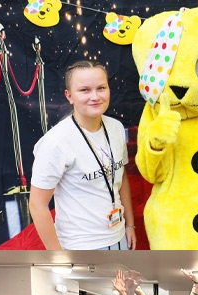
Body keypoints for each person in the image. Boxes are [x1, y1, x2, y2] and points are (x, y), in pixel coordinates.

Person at [28, 61, 135, 250]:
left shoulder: (116, 128)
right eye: (85, 90)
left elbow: (121, 176)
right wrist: (58, 257)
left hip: (119, 238)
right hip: (80, 246)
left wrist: (129, 224)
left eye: (101, 88)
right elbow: (37, 205)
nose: (95, 96)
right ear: (69, 96)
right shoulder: (56, 142)